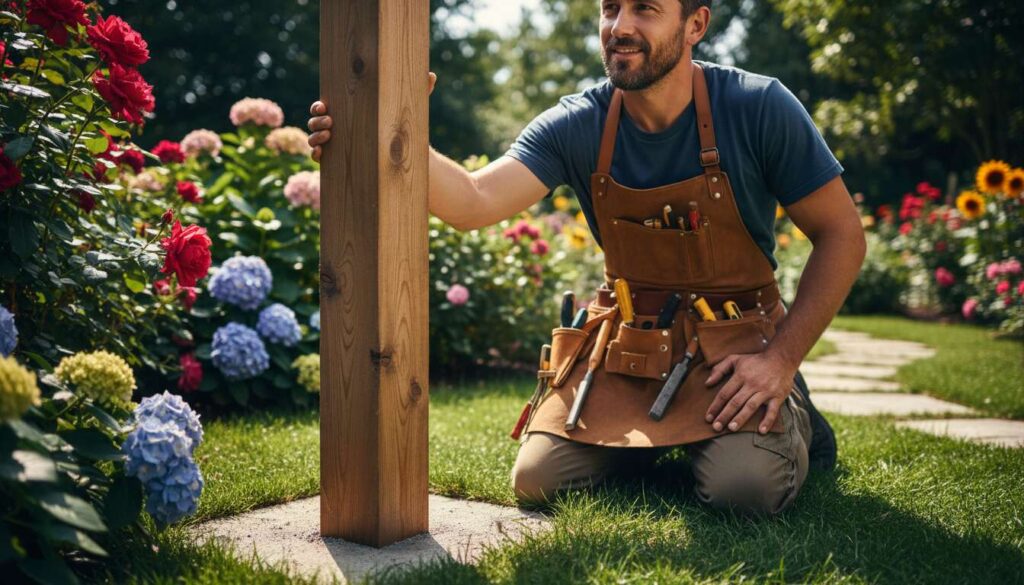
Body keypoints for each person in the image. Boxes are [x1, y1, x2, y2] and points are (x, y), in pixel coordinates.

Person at [307, 0, 865, 517]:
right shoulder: (578, 121)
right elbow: (473, 201)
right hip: (631, 350)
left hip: (737, 350)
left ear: (695, 25)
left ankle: (792, 416)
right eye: (610, 8)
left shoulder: (757, 105)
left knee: (741, 488)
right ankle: (662, 438)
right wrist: (386, 129)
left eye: (645, 9)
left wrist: (781, 359)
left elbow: (841, 234)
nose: (620, 26)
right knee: (538, 480)